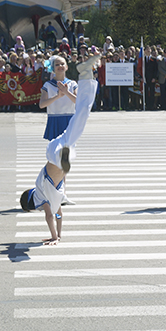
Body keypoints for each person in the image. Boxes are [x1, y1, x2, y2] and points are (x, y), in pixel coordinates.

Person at [19, 55, 101, 244]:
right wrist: (60, 235)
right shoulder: (50, 197)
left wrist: (54, 237)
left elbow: (50, 216)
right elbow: (57, 216)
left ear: (33, 205)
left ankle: (66, 156)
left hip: (56, 154)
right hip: (57, 146)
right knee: (83, 113)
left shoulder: (41, 198)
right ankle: (87, 74)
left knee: (81, 116)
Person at [39, 56, 77, 140]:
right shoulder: (48, 85)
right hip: (54, 119)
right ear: (53, 68)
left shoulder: (72, 84)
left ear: (66, 67)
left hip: (69, 118)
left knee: (68, 148)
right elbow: (41, 105)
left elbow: (78, 102)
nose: (60, 66)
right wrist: (57, 96)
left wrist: (66, 92)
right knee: (55, 148)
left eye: (62, 64)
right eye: (57, 64)